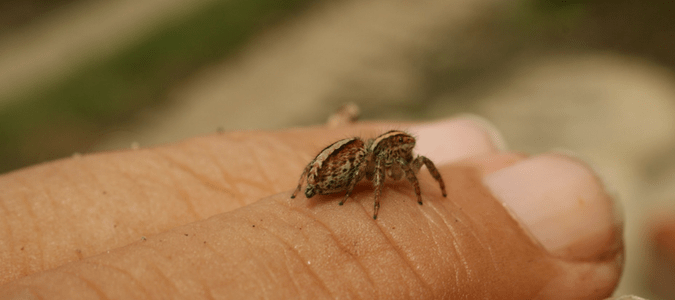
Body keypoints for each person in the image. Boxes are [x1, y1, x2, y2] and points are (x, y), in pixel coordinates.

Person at [0, 118, 623, 299]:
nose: (414, 159)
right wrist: (389, 202)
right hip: (336, 166)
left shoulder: (396, 159)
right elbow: (390, 173)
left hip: (331, 163)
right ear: (397, 153)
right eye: (408, 153)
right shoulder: (383, 166)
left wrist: (434, 191)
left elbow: (418, 168)